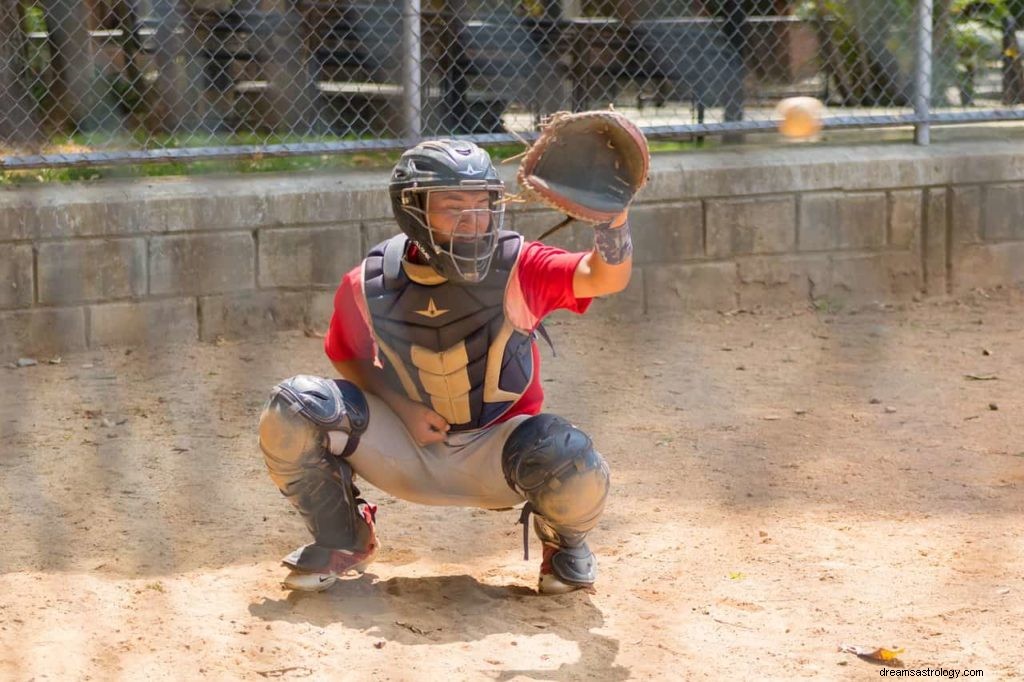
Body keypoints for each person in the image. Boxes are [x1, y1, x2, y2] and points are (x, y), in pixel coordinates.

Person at [257, 138, 634, 595]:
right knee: (294, 407)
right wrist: (402, 408)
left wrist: (612, 222)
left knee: (568, 454)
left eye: (482, 205)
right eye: (453, 206)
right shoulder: (371, 280)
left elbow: (604, 276)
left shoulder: (520, 266)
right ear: (412, 210)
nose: (473, 220)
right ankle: (344, 537)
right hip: (405, 449)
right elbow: (344, 352)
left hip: (499, 455)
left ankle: (564, 547)